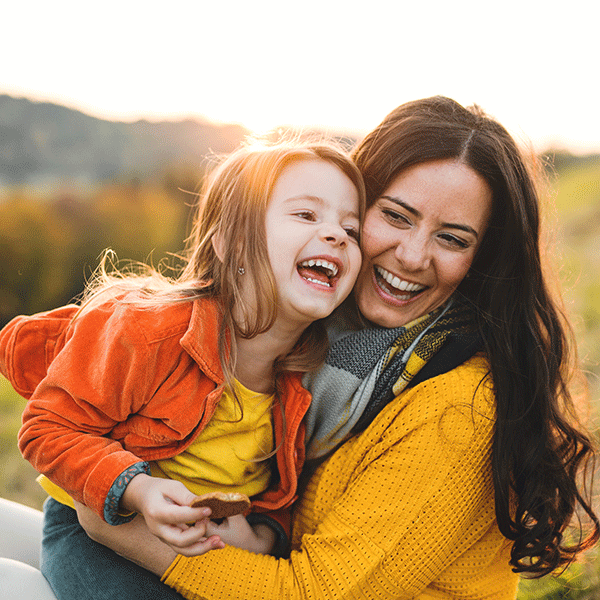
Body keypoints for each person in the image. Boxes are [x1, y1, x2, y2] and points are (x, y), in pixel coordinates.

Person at [71, 96, 600, 600]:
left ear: (483, 258)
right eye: (395, 215)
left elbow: (317, 591)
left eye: (453, 239)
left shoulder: (457, 408)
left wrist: (121, 528)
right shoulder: (308, 345)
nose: (413, 256)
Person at [0, 139, 365, 599]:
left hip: (201, 555)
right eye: (306, 215)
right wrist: (136, 490)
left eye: (351, 229)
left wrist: (262, 537)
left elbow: (279, 494)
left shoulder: (307, 379)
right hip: (99, 530)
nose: (336, 234)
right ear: (231, 243)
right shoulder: (150, 330)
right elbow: (46, 428)